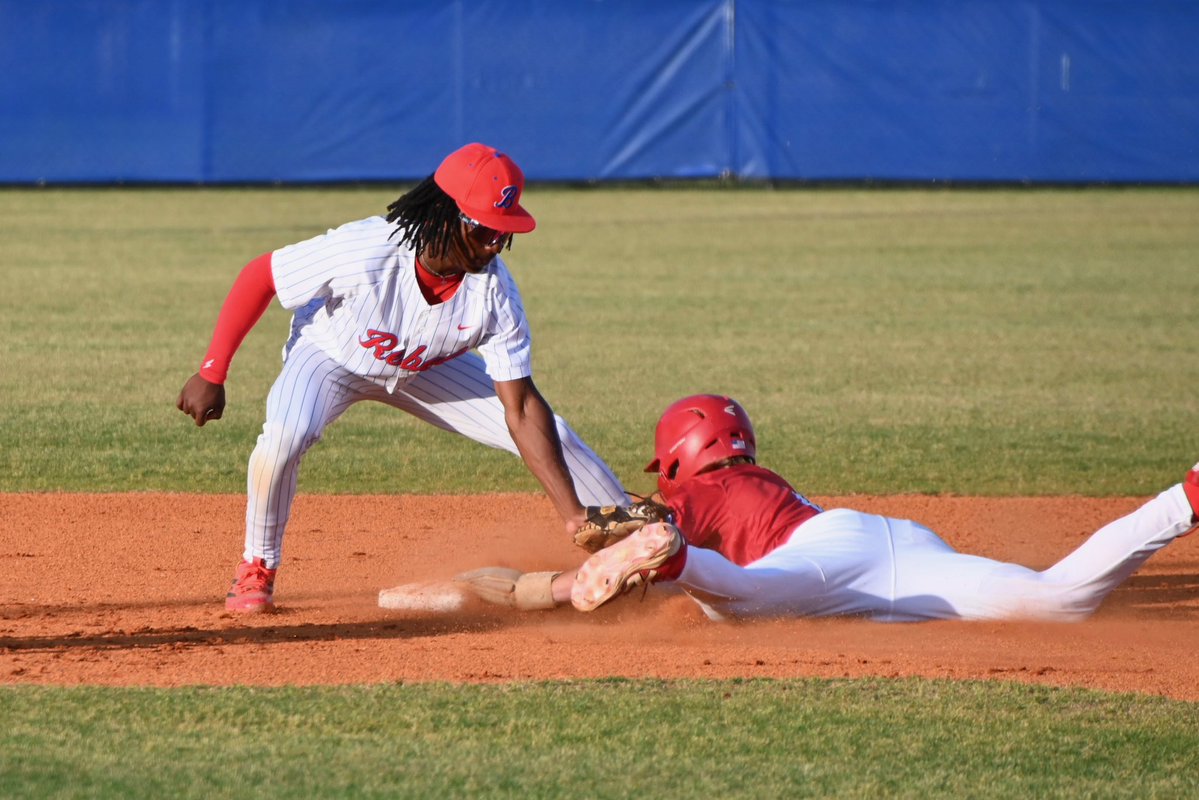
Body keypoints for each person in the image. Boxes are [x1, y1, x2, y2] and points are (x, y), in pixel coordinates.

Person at [177, 142, 629, 613]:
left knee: (555, 434)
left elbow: (520, 407)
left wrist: (571, 513)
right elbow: (261, 275)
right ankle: (257, 566)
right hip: (331, 355)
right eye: (484, 229)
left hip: (426, 369)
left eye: (504, 232)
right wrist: (213, 370)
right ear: (442, 214)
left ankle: (640, 545)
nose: (495, 244)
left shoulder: (494, 293)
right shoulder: (366, 248)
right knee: (282, 440)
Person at [460, 394, 1198, 622]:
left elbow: (640, 521)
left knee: (738, 602)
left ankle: (675, 562)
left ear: (683, 449)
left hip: (825, 560)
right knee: (1057, 600)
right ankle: (1185, 497)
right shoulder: (755, 479)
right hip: (893, 545)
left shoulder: (701, 488)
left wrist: (552, 580)